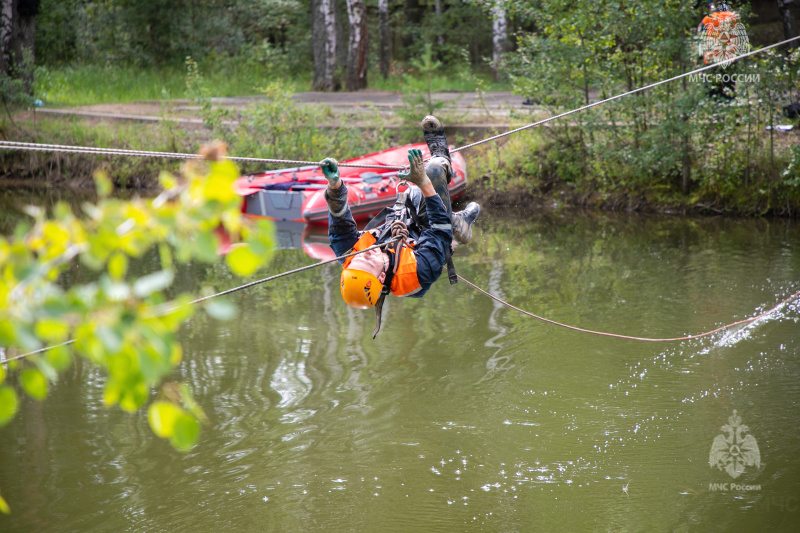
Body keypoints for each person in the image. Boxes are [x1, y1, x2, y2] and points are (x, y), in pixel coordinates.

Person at [319, 116, 481, 335]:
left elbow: (339, 218)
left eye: (356, 260)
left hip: (406, 218)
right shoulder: (418, 273)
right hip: (430, 234)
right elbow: (438, 228)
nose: (363, 254)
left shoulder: (351, 255)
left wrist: (335, 185)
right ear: (382, 276)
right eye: (368, 260)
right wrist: (423, 181)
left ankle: (459, 221)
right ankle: (441, 157)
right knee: (432, 171)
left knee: (414, 196)